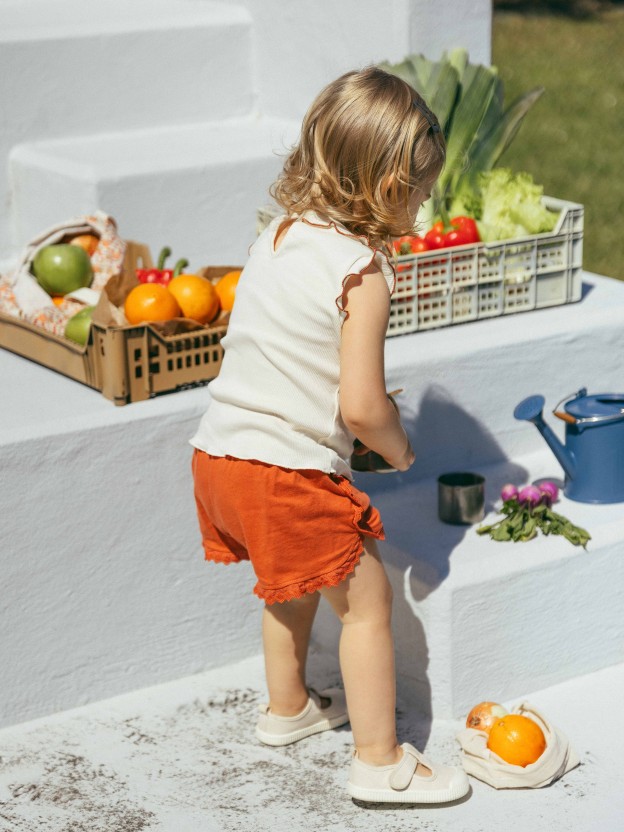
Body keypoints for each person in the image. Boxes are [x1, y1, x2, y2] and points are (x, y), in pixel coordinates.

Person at [190, 66, 469, 804]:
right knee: (368, 604)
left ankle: (288, 711)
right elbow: (362, 407)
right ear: (384, 192)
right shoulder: (362, 272)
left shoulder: (278, 236)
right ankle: (380, 764)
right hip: (288, 471)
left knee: (289, 585)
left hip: (220, 455)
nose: (426, 200)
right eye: (420, 186)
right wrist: (400, 446)